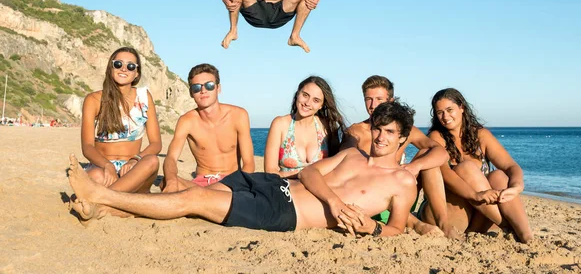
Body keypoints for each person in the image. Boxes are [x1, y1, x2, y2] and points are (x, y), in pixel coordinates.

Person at [68, 102, 427, 237]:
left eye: (389, 133)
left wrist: (371, 229)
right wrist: (334, 202)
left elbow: (395, 228)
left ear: (404, 139)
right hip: (275, 186)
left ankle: (100, 194)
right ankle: (106, 210)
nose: (379, 137)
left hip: (284, 212)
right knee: (190, 197)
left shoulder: (403, 181)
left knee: (195, 199)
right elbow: (312, 172)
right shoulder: (354, 156)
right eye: (377, 129)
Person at [341, 75, 456, 238]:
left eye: (379, 99)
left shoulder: (403, 129)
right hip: (370, 198)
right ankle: (415, 223)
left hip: (401, 197)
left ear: (391, 100)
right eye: (368, 99)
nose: (373, 105)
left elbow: (442, 153)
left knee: (426, 155)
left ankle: (443, 223)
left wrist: (415, 166)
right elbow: (346, 167)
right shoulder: (356, 132)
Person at [426, 88, 532, 243]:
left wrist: (517, 186)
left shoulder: (480, 135)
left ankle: (526, 235)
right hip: (448, 212)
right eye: (439, 112)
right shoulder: (436, 137)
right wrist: (474, 195)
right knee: (465, 168)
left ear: (461, 107)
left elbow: (511, 166)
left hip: (480, 216)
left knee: (498, 176)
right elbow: (446, 175)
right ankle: (509, 227)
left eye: (449, 110)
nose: (445, 117)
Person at [80, 47, 162, 195]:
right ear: (111, 67)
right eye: (118, 64)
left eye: (130, 66)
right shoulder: (94, 100)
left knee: (152, 161)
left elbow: (156, 144)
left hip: (133, 168)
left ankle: (104, 199)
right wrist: (107, 166)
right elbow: (87, 146)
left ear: (136, 73)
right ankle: (116, 198)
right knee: (97, 176)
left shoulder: (144, 97)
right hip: (102, 167)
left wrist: (135, 160)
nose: (124, 69)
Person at [162, 64, 255, 193]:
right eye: (196, 87)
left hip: (232, 182)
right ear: (191, 93)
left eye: (209, 85)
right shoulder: (187, 121)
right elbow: (171, 157)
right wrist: (171, 181)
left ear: (218, 88)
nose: (203, 90)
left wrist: (239, 185)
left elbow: (249, 163)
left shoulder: (238, 115)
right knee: (166, 182)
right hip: (202, 182)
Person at [264, 76, 346, 178]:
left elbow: (336, 167)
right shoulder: (280, 124)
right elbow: (270, 171)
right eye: (305, 95)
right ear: (298, 94)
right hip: (286, 189)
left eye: (316, 100)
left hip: (319, 189)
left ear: (321, 105)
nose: (308, 103)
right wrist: (303, 175)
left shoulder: (327, 126)